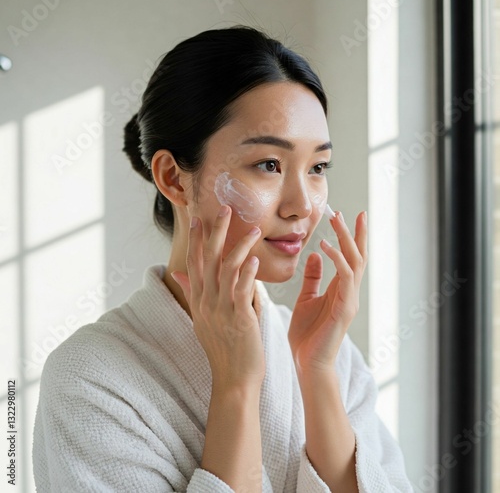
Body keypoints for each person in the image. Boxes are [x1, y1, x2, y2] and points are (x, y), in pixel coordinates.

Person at [32, 25, 413, 492]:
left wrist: (317, 375)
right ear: (173, 178)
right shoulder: (89, 378)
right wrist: (235, 387)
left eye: (317, 168)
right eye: (268, 164)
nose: (302, 206)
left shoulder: (330, 358)